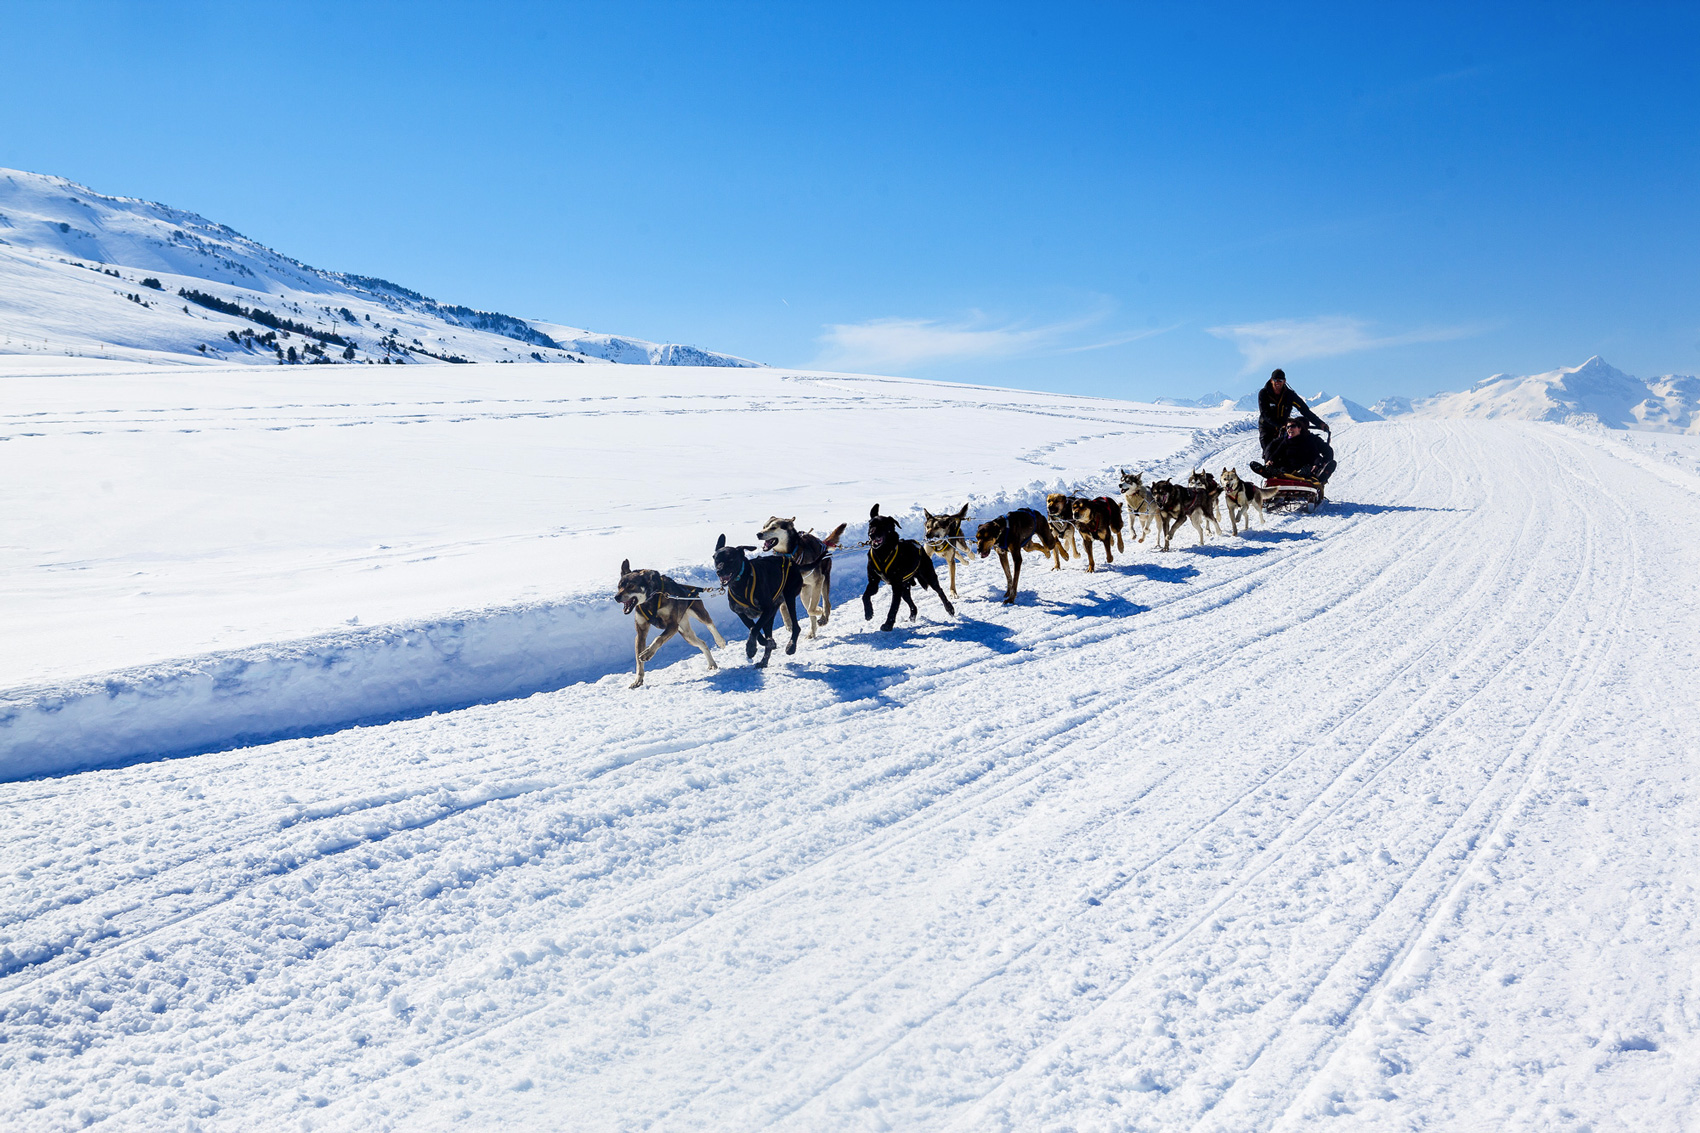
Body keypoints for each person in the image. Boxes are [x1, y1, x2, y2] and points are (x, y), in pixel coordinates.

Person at [1257, 368, 1329, 460]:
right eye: (1275, 380)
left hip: (1284, 428)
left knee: (1287, 451)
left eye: (1280, 380)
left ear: (1284, 381)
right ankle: (1270, 467)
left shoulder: (1290, 395)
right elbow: (1264, 413)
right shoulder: (1264, 393)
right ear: (1271, 380)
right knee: (1268, 452)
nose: (1278, 383)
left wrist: (1319, 423)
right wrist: (1279, 425)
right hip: (1267, 427)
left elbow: (1304, 410)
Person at [1253, 421, 1336, 485]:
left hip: (1304, 468)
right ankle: (1267, 471)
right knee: (1280, 469)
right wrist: (1270, 460)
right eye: (1288, 427)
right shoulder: (1285, 441)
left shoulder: (1309, 440)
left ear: (1300, 428)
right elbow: (1275, 452)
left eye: (1293, 426)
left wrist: (1318, 465)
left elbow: (1316, 455)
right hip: (1287, 468)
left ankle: (1320, 474)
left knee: (1307, 470)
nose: (1290, 429)